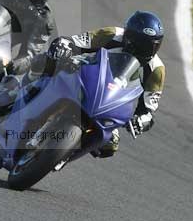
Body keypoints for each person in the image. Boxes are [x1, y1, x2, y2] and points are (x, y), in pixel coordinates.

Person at [41, 10, 166, 157]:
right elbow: (78, 42)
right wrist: (66, 45)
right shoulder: (112, 34)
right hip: (88, 77)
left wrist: (141, 121)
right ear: (128, 35)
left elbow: (148, 109)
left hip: (111, 102)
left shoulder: (157, 70)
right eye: (139, 42)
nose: (142, 49)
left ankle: (63, 157)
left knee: (110, 143)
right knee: (54, 57)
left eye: (150, 46)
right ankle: (31, 87)